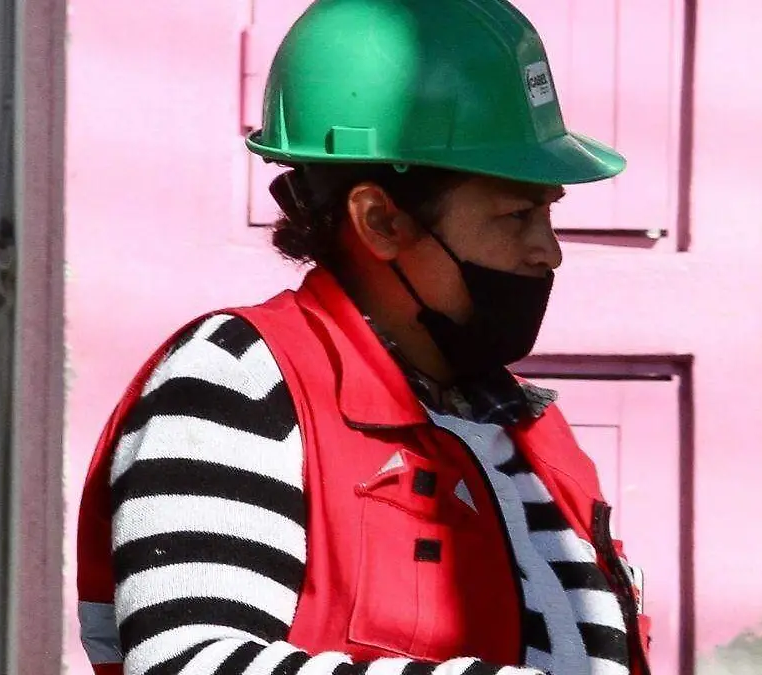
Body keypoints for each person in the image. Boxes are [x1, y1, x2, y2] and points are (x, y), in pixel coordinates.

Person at [76, 1, 652, 674]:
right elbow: (189, 664)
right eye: (516, 215)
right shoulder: (237, 380)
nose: (547, 251)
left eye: (548, 213)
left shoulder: (535, 433)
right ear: (380, 220)